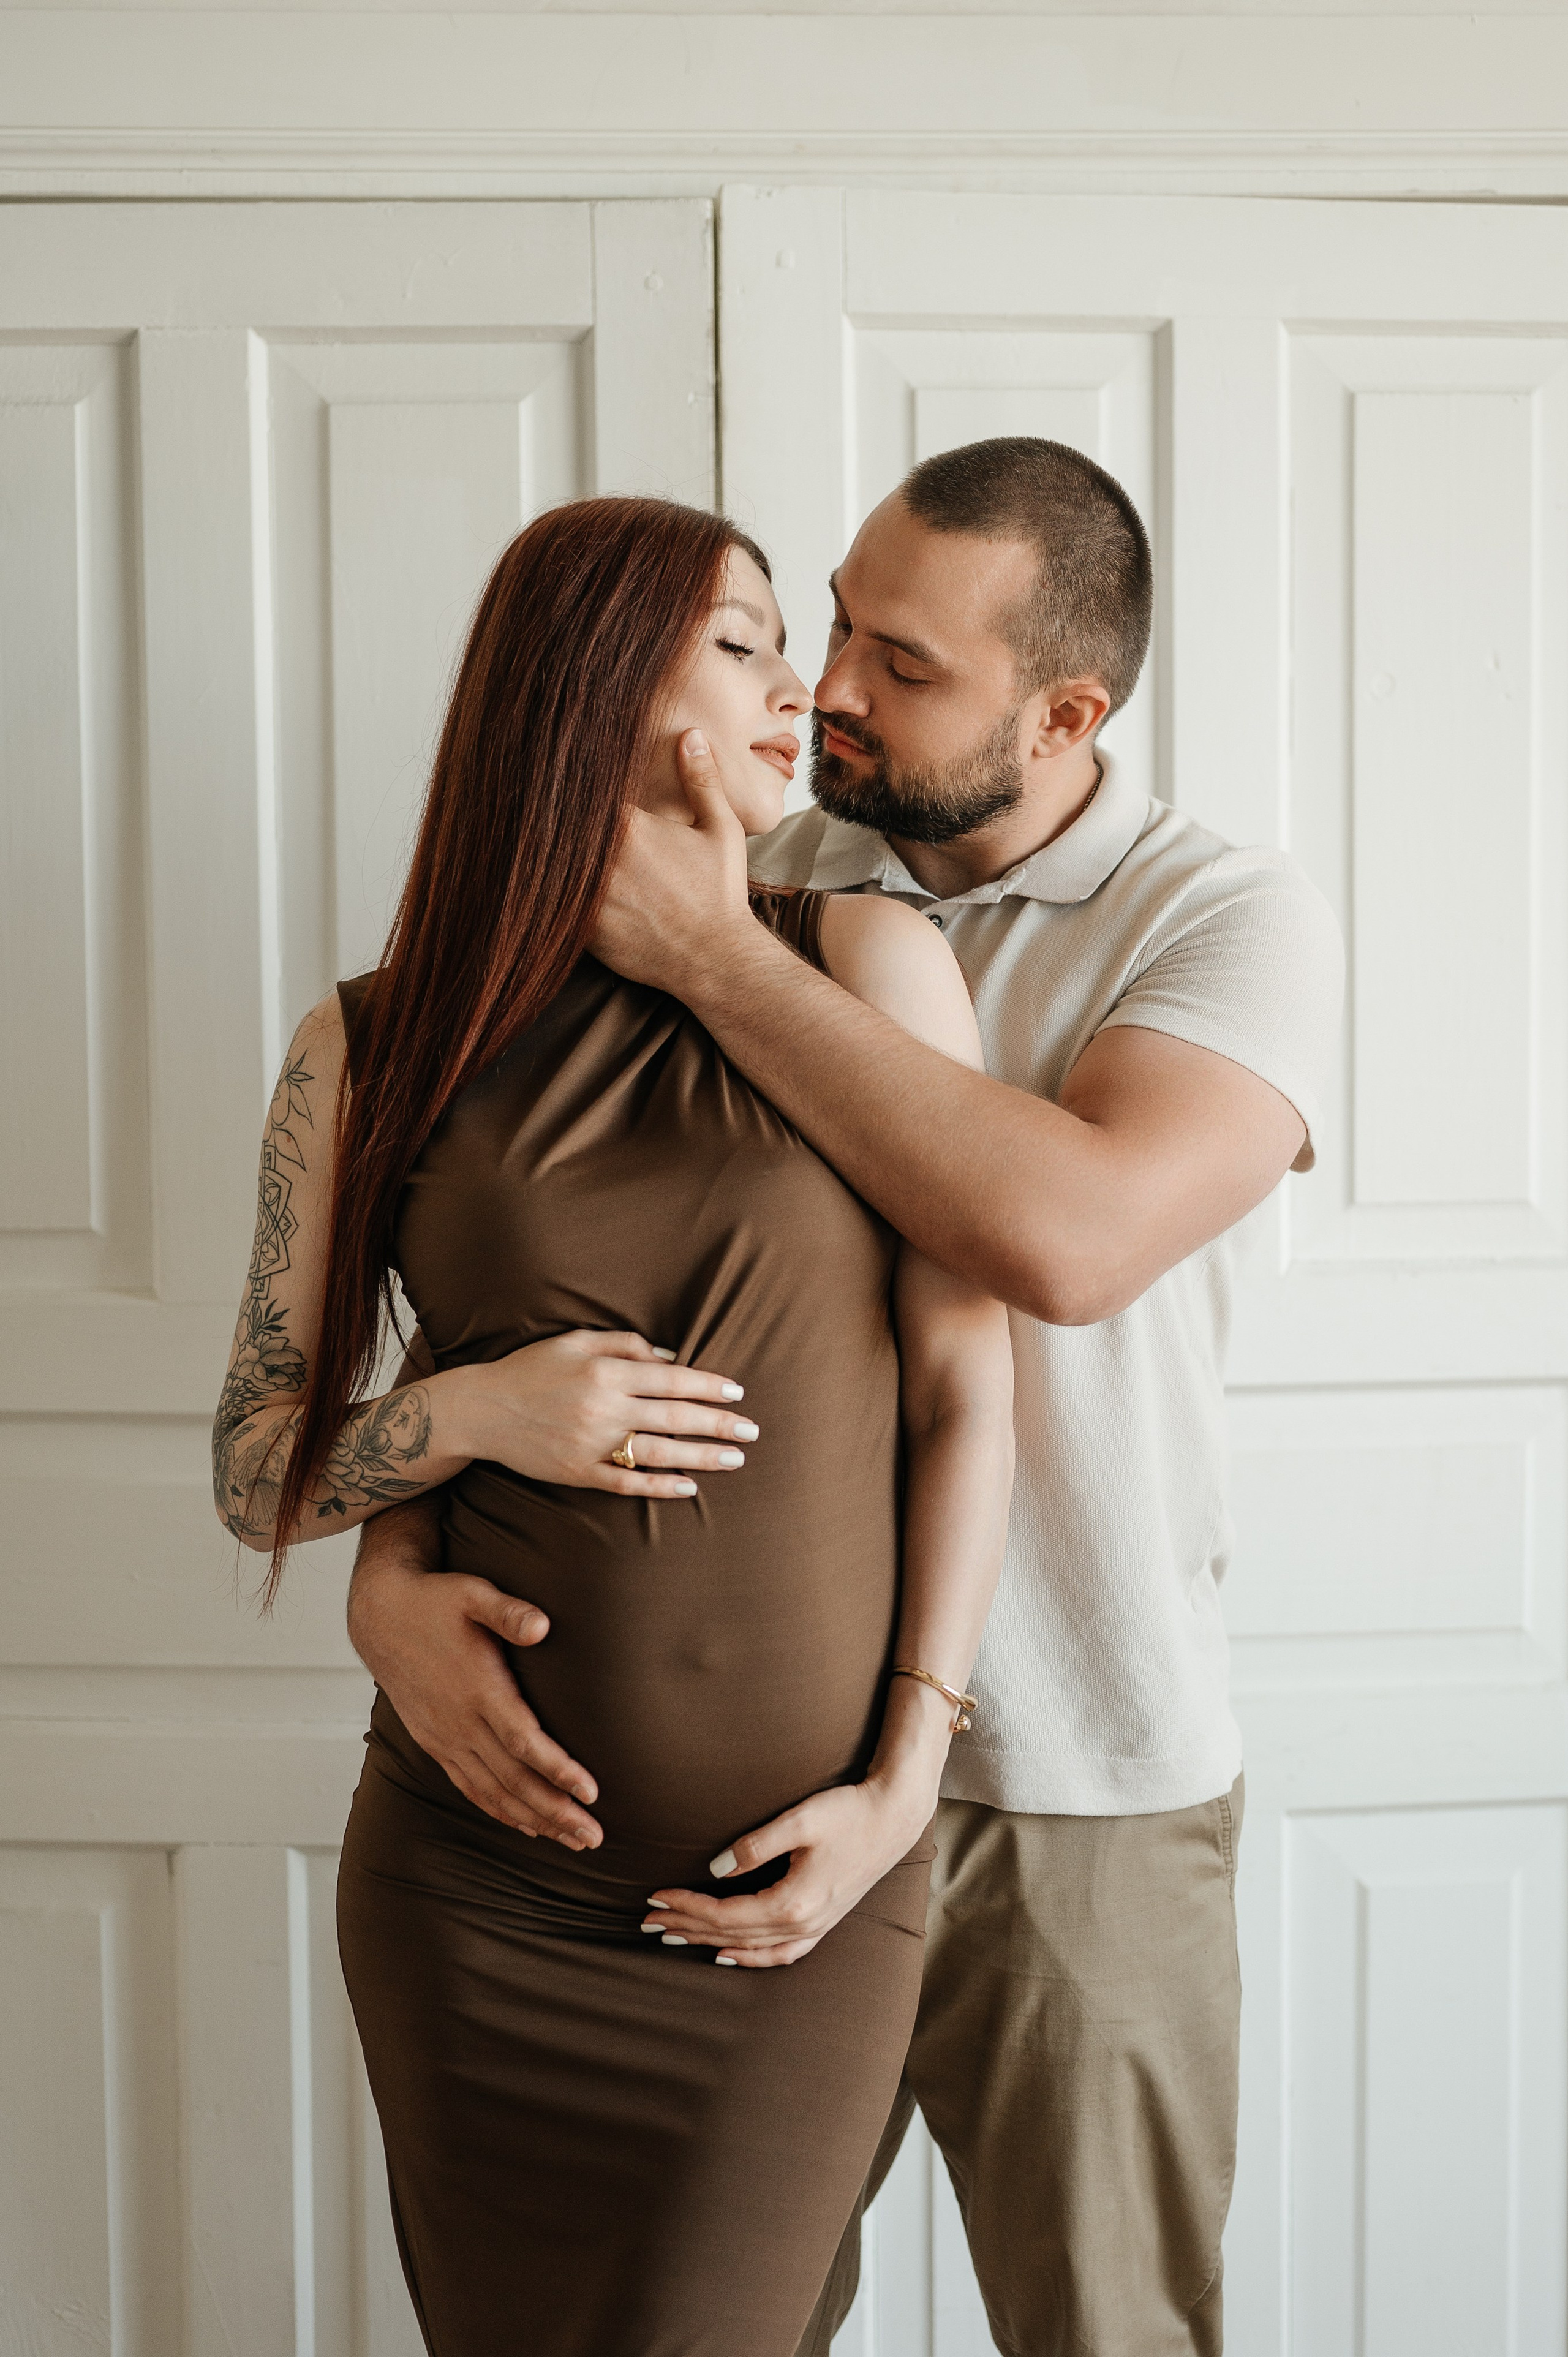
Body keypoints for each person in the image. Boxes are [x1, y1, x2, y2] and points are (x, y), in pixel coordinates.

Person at [347, 439, 1344, 2356]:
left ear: (1065, 712)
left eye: (904, 660)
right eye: (830, 625)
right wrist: (392, 1562)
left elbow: (1064, 1243)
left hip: (1074, 1782)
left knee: (1107, 2325)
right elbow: (505, 1277)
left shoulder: (1218, 922)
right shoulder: (752, 870)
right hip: (733, 1794)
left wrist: (728, 962)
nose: (829, 689)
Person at [209, 494, 1015, 2357]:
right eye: (741, 641)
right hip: (473, 1894)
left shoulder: (865, 964)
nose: (798, 684)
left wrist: (908, 1779)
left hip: (789, 1897)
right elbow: (258, 1469)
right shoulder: (368, 1044)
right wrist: (479, 1410)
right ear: (590, 682)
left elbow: (971, 1390)